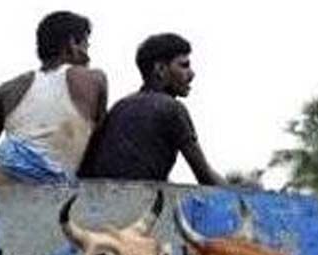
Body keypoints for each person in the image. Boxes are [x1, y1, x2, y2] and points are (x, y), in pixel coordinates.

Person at [0, 11, 107, 184]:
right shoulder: (93, 79)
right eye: (86, 45)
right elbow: (101, 148)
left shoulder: (9, 89)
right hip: (51, 190)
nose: (88, 54)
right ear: (72, 43)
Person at [79, 33, 224, 185]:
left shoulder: (119, 107)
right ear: (160, 69)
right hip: (138, 204)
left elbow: (87, 169)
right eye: (184, 65)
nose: (191, 74)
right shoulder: (171, 108)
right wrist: (242, 198)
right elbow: (205, 176)